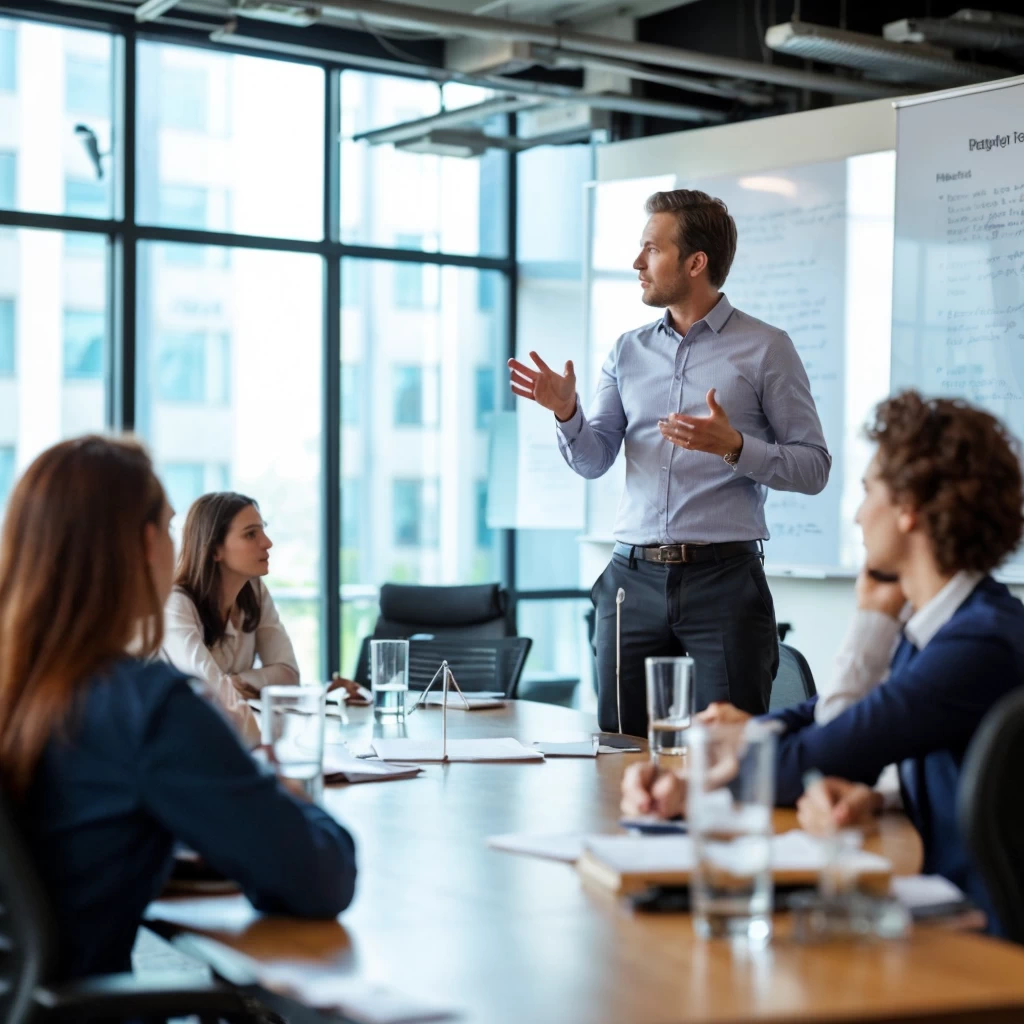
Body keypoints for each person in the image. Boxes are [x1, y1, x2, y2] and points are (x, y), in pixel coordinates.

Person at [621, 391, 1024, 929]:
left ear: (909, 509)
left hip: (978, 939)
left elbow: (824, 753)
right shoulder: (946, 624)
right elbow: (819, 717)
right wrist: (744, 741)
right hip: (937, 901)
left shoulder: (980, 644)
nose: (857, 515)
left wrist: (708, 773)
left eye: (867, 492)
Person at [0, 436, 357, 982]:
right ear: (145, 545)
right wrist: (286, 793)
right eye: (168, 527)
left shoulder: (25, 690)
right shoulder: (147, 707)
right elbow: (321, 877)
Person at [509, 188, 830, 734]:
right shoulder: (627, 351)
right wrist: (567, 413)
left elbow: (814, 467)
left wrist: (734, 446)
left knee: (728, 755)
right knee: (619, 752)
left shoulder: (766, 348)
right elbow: (594, 460)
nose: (637, 263)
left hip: (724, 582)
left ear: (695, 262)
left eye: (651, 249)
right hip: (630, 582)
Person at [162, 491, 299, 748]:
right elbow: (212, 697)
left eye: (263, 530)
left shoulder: (255, 591)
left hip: (228, 740)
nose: (267, 542)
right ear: (215, 550)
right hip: (183, 747)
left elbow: (288, 675)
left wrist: (236, 682)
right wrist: (240, 687)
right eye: (251, 534)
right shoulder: (176, 604)